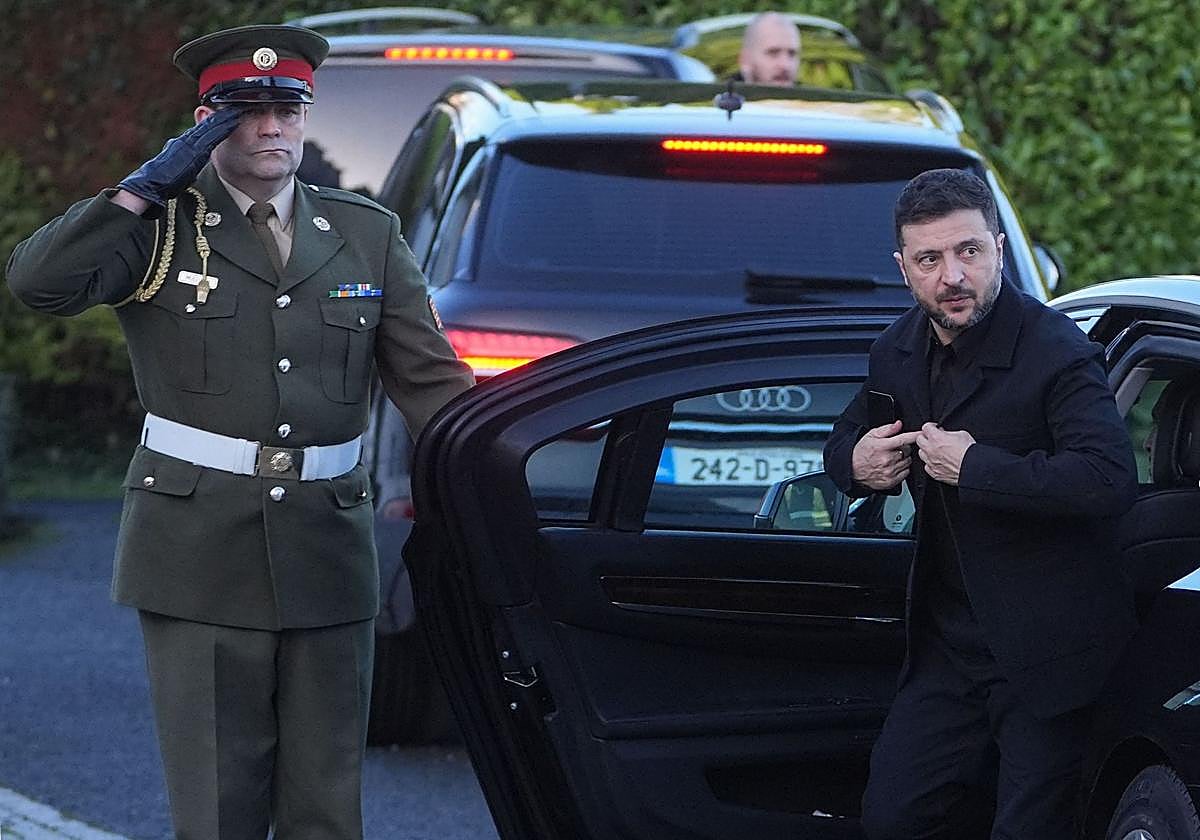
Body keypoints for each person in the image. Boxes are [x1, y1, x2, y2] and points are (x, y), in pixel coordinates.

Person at [6, 24, 474, 840]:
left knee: (327, 810)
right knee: (219, 809)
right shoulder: (158, 225)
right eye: (246, 110)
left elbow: (434, 385)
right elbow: (39, 285)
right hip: (198, 550)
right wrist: (141, 188)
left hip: (328, 547)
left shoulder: (364, 232)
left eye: (287, 110)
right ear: (206, 122)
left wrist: (501, 483)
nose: (270, 128)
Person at [822, 168, 1137, 838]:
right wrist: (854, 463)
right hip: (947, 645)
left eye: (968, 251)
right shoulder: (897, 351)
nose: (953, 277)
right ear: (904, 268)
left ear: (997, 247)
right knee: (893, 817)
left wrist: (975, 468)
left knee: (1028, 827)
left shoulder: (1058, 353)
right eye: (930, 260)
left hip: (1047, 651)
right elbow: (847, 437)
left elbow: (1108, 478)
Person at [735, 12, 801, 87]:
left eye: (792, 54)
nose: (785, 65)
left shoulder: (809, 93)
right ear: (745, 60)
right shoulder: (725, 92)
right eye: (773, 53)